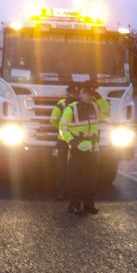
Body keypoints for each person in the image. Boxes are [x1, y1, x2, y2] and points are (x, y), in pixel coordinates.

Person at [59, 83, 101, 214]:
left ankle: (89, 204)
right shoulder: (71, 109)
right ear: (80, 94)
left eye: (91, 93)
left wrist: (99, 97)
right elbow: (62, 128)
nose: (89, 96)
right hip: (78, 149)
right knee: (75, 177)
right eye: (86, 93)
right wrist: (72, 141)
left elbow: (108, 112)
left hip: (93, 149)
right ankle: (74, 204)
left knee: (91, 178)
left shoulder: (95, 106)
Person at [50, 83, 79, 200]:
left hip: (64, 140)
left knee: (62, 166)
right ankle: (70, 192)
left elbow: (53, 120)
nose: (73, 95)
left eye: (74, 93)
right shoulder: (80, 105)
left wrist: (61, 129)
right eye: (73, 93)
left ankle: (61, 192)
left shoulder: (61, 104)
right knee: (73, 167)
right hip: (76, 140)